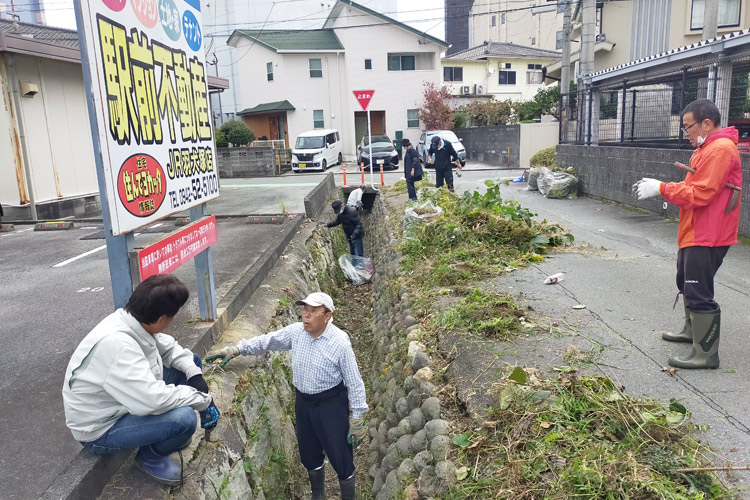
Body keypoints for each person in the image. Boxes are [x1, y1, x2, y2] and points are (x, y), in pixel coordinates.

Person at [205, 292, 368, 500]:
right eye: (304, 310)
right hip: (304, 403)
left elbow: (354, 381)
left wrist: (357, 417)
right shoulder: (297, 332)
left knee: (340, 453)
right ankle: (318, 493)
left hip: (331, 404)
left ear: (327, 315)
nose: (306, 316)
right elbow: (268, 341)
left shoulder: (339, 343)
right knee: (309, 451)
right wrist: (236, 349)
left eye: (313, 311)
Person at [62, 274, 220, 486]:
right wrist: (202, 400)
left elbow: (169, 348)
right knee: (184, 420)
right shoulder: (118, 346)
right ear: (162, 318)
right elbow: (151, 401)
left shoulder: (132, 320)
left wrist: (195, 375)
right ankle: (151, 456)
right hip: (101, 427)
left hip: (123, 400)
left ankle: (166, 435)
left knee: (191, 364)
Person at [633, 98, 742, 369]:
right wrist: (668, 188)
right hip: (697, 229)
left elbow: (702, 192)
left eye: (688, 126)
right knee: (686, 280)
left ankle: (706, 353)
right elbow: (698, 186)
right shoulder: (707, 149)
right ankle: (691, 331)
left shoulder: (720, 149)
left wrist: (663, 189)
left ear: (706, 123)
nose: (686, 133)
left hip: (709, 233)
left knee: (698, 289)